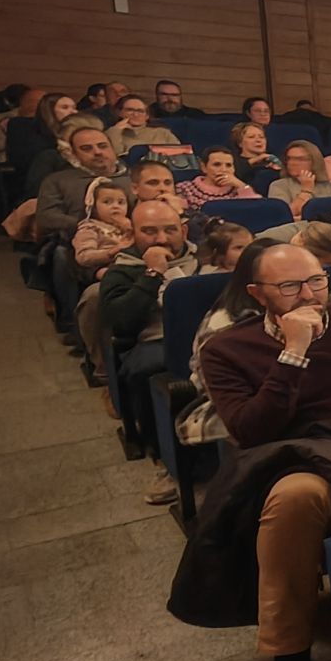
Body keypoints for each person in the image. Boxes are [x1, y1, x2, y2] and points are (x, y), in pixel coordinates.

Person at [192, 246, 331, 661]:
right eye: (291, 287)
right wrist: (292, 354)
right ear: (258, 295)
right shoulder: (226, 349)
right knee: (293, 501)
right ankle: (290, 653)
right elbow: (251, 431)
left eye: (317, 281)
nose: (310, 296)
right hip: (299, 458)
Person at [99, 199, 203, 497]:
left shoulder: (205, 259)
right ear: (132, 234)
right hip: (155, 340)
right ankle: (167, 459)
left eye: (170, 230)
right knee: (152, 369)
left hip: (208, 336)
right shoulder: (122, 270)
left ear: (184, 231)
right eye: (149, 231)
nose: (161, 238)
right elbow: (120, 322)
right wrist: (153, 274)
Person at [34, 126, 124, 234]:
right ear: (74, 155)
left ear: (113, 149)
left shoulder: (133, 178)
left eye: (102, 146)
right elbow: (46, 217)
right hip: (73, 239)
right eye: (86, 148)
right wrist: (90, 225)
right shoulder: (57, 181)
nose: (97, 152)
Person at [267, 141, 331, 220]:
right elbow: (283, 215)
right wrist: (306, 191)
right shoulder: (278, 185)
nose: (292, 163)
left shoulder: (330, 187)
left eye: (300, 159)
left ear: (314, 161)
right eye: (289, 158)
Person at [104, 94, 180, 155]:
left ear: (147, 116)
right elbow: (116, 156)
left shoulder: (163, 133)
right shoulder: (111, 133)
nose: (135, 114)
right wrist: (116, 130)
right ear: (119, 112)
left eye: (140, 111)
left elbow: (180, 155)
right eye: (130, 110)